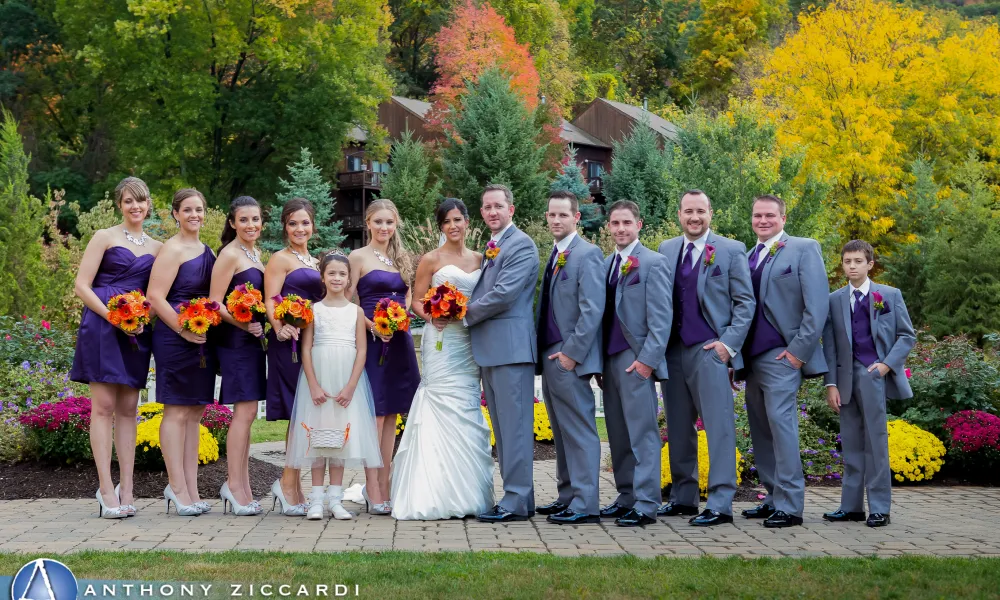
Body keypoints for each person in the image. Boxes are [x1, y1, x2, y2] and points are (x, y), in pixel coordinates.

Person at [391, 199, 495, 520]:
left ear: (467, 222)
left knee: (465, 405)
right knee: (439, 402)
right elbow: (416, 302)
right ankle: (430, 490)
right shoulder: (430, 260)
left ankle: (468, 491)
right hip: (441, 341)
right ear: (440, 227)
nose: (453, 225)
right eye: (447, 221)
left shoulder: (482, 259)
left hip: (468, 341)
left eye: (458, 219)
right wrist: (433, 314)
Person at [656, 190, 755, 526]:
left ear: (711, 213)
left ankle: (721, 503)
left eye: (700, 211)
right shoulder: (667, 250)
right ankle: (683, 498)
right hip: (672, 352)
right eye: (688, 211)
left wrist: (728, 345)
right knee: (679, 428)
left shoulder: (730, 250)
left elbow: (745, 303)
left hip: (709, 351)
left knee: (719, 428)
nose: (694, 217)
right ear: (679, 215)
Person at [71, 176, 162, 518]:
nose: (135, 206)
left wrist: (143, 317)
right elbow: (82, 285)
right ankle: (105, 489)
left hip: (136, 330)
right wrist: (111, 316)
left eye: (140, 200)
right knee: (104, 406)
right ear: (119, 205)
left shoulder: (157, 247)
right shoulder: (104, 237)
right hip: (101, 325)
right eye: (128, 201)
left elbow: (157, 293)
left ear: (149, 204)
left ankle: (128, 487)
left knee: (129, 409)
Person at [735, 194, 829, 528]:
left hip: (783, 358)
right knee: (761, 430)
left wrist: (796, 354)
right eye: (757, 215)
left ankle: (791, 506)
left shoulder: (803, 248)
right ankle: (773, 497)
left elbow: (817, 307)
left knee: (782, 427)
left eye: (770, 215)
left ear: (783, 218)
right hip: (753, 359)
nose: (763, 220)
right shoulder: (748, 256)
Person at [821, 240, 915, 528]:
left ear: (870, 264)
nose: (852, 266)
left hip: (873, 375)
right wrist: (830, 384)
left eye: (858, 261)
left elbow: (906, 335)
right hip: (844, 379)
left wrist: (886, 364)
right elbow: (831, 347)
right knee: (850, 443)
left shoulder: (889, 295)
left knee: (876, 443)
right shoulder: (834, 299)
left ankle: (879, 508)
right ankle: (850, 507)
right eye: (847, 261)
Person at [285, 252, 383, 520]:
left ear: (349, 278)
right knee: (319, 437)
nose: (337, 278)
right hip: (319, 377)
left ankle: (335, 500)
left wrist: (351, 387)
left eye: (342, 274)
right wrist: (314, 385)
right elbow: (306, 350)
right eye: (332, 273)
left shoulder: (356, 312)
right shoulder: (314, 310)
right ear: (323, 277)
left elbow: (361, 351)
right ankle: (316, 500)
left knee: (340, 439)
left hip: (346, 379)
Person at [466, 184, 540, 523]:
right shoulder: (494, 245)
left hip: (511, 351)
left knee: (515, 430)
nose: (492, 212)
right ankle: (521, 499)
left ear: (511, 208)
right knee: (505, 429)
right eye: (487, 207)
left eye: (498, 206)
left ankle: (515, 501)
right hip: (493, 351)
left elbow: (504, 294)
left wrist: (462, 312)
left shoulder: (521, 244)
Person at [598, 200, 671, 527]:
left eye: (627, 222)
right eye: (615, 223)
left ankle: (646, 503)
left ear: (638, 225)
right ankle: (626, 495)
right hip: (609, 360)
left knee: (642, 433)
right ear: (609, 227)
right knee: (618, 432)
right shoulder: (606, 264)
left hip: (635, 357)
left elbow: (662, 319)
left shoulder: (654, 262)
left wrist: (647, 362)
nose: (621, 229)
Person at [534, 191, 605, 525]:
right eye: (552, 215)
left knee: (579, 430)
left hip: (568, 356)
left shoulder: (588, 254)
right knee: (561, 430)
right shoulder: (555, 253)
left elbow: (593, 310)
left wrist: (572, 355)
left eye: (563, 215)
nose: (557, 220)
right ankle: (567, 494)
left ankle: (586, 503)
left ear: (576, 217)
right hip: (550, 355)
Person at [148, 188, 217, 517]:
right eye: (187, 209)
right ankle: (176, 487)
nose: (194, 215)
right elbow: (155, 296)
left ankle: (192, 488)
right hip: (175, 337)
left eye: (199, 209)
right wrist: (182, 329)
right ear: (175, 213)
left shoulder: (208, 250)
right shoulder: (172, 249)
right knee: (175, 412)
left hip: (201, 339)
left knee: (194, 413)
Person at [348, 199, 420, 510]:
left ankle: (385, 483)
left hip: (398, 339)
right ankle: (372, 487)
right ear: (368, 223)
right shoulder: (357, 257)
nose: (384, 228)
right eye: (378, 222)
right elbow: (347, 301)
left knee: (392, 414)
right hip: (372, 339)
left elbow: (408, 293)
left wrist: (402, 312)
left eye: (389, 222)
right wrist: (372, 326)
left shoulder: (401, 258)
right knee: (375, 415)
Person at [264, 198, 326, 516]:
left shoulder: (316, 262)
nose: (299, 228)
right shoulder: (280, 259)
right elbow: (271, 298)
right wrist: (280, 327)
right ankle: (287, 484)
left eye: (304, 223)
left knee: (308, 416)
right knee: (299, 415)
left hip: (314, 346)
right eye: (293, 223)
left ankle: (294, 485)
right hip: (289, 343)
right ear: (285, 227)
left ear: (312, 226)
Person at [210, 196, 267, 516]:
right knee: (242, 415)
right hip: (235, 342)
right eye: (244, 220)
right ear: (232, 223)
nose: (251, 225)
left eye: (255, 219)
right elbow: (215, 303)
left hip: (252, 342)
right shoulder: (230, 255)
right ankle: (234, 486)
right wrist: (243, 323)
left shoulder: (254, 253)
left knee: (249, 416)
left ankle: (242, 485)